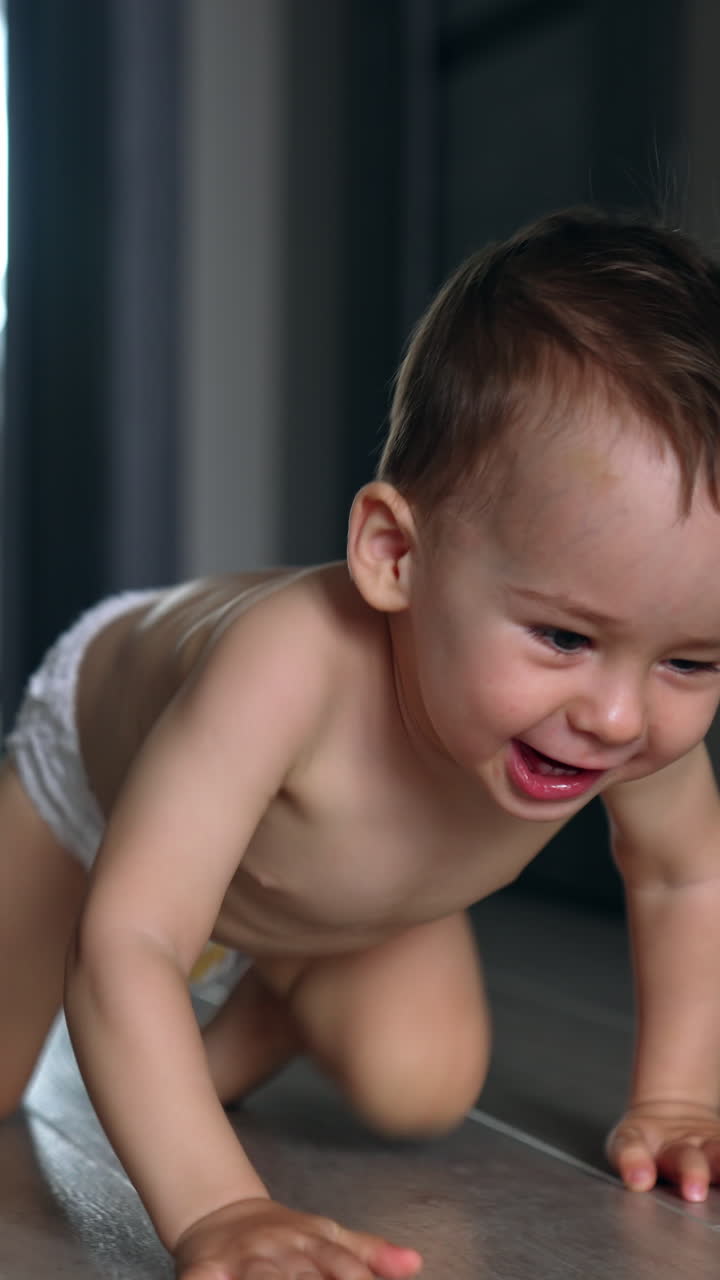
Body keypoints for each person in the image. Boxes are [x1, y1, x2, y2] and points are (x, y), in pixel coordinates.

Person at [3, 207, 720, 1279]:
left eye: (693, 661)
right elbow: (128, 942)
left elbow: (681, 876)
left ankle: (266, 997)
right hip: (103, 762)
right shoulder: (281, 667)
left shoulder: (627, 720)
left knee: (422, 1081)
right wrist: (219, 1207)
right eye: (564, 635)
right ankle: (224, 1018)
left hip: (312, 874)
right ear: (394, 554)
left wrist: (676, 1098)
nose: (619, 717)